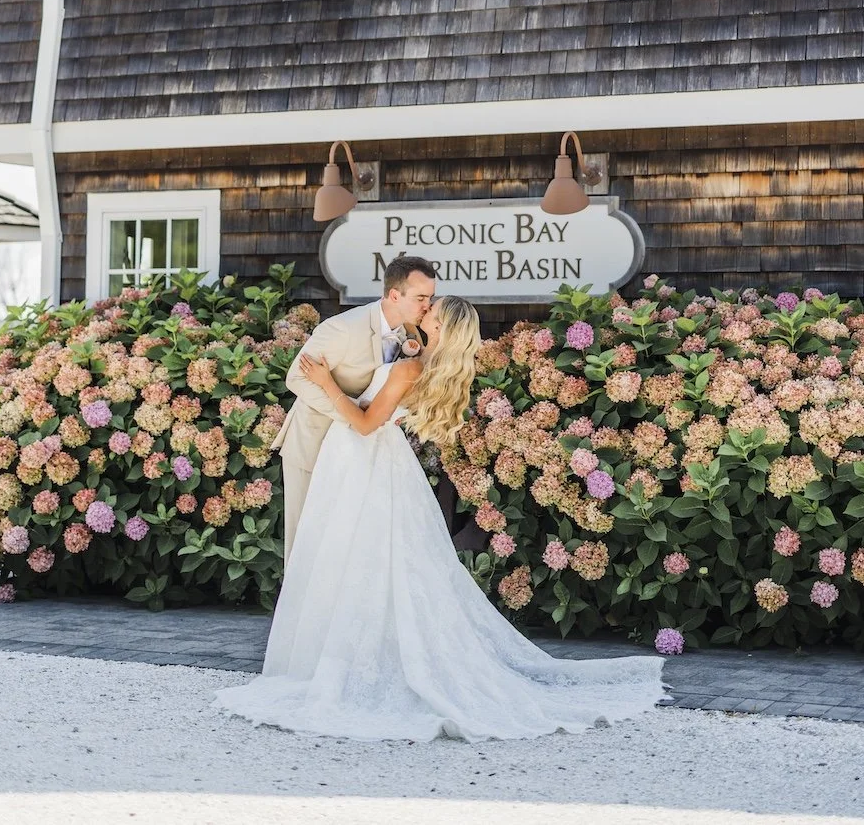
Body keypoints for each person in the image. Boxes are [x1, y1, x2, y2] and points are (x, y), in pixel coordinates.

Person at [215, 294, 666, 742]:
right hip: (373, 461)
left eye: (432, 308)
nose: (424, 308)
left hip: (361, 456)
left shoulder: (413, 367)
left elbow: (368, 423)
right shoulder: (423, 360)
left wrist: (328, 384)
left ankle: (348, 664)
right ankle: (351, 655)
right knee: (369, 561)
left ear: (443, 326)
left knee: (355, 558)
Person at [270, 255, 436, 562]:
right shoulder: (344, 328)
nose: (427, 305)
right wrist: (352, 411)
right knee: (307, 539)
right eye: (421, 298)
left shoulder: (409, 332)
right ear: (395, 295)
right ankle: (300, 610)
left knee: (343, 541)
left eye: (430, 297)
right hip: (314, 443)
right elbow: (296, 378)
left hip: (358, 450)